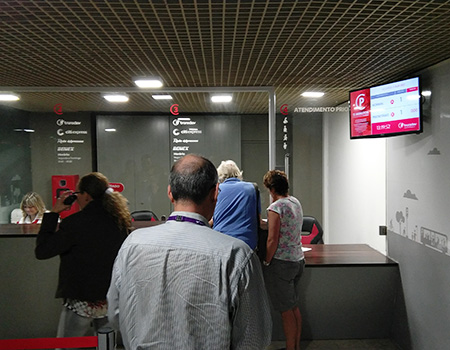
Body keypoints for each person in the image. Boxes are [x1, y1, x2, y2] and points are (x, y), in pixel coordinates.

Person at [107, 154, 272, 350]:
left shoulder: (132, 245)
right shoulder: (237, 256)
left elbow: (115, 314)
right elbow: (254, 338)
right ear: (215, 194)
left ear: (170, 193)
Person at [35, 172, 130, 339]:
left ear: (86, 195)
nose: (76, 197)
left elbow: (42, 251)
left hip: (81, 300)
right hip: (109, 298)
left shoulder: (74, 223)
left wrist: (54, 213)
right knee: (106, 345)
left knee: (67, 347)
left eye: (78, 193)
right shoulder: (120, 221)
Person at [262, 169, 305, 350]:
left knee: (286, 311)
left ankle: (290, 348)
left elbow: (272, 239)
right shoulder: (294, 202)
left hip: (281, 264)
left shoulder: (275, 208)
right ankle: (294, 346)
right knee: (293, 307)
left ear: (272, 189)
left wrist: (266, 261)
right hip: (298, 260)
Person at [211, 160, 261, 249]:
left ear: (220, 175)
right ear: (238, 173)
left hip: (220, 240)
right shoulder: (252, 188)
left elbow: (213, 218)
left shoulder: (217, 190)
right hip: (246, 242)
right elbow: (259, 220)